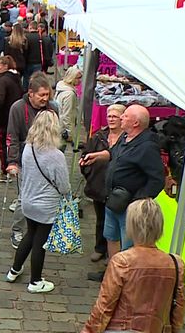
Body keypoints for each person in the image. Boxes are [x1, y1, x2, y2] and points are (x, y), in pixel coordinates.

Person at [80, 104, 165, 281]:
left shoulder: (147, 147)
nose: (121, 118)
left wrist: (137, 201)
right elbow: (113, 153)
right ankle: (113, 272)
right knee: (111, 237)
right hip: (112, 200)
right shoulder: (125, 136)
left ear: (135, 123)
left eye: (125, 116)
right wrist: (97, 156)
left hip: (129, 207)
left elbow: (157, 180)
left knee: (127, 244)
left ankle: (125, 278)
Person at [82, 198, 185, 333]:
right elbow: (178, 308)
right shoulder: (176, 264)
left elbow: (104, 308)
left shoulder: (122, 261)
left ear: (131, 225)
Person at [5, 110, 70, 293]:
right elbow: (64, 186)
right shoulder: (56, 156)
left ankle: (14, 270)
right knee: (40, 242)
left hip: (28, 201)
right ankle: (35, 281)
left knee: (30, 235)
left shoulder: (28, 148)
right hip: (46, 206)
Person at [6, 72, 59, 249]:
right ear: (31, 93)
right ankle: (17, 230)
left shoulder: (53, 108)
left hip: (47, 159)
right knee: (24, 197)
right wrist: (12, 161)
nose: (45, 98)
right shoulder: (18, 108)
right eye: (41, 95)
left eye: (47, 95)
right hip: (25, 159)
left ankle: (40, 228)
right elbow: (12, 136)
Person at [80, 104, 126, 263]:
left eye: (115, 116)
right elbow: (85, 155)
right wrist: (89, 173)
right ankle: (100, 248)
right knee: (101, 219)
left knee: (116, 221)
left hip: (118, 188)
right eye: (109, 116)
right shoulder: (98, 136)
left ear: (122, 118)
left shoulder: (126, 139)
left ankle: (113, 251)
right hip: (99, 185)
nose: (111, 119)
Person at [24, 21, 54, 91]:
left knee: (26, 80)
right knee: (37, 81)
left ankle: (26, 94)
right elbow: (45, 51)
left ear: (30, 27)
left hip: (27, 63)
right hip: (38, 62)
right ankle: (35, 92)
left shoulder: (26, 37)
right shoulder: (41, 38)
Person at [55, 66, 82, 142]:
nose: (80, 80)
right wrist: (69, 133)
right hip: (62, 128)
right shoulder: (70, 94)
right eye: (78, 78)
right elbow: (67, 114)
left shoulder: (61, 86)